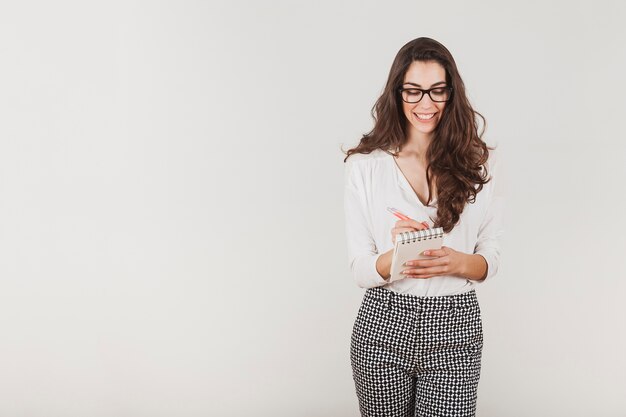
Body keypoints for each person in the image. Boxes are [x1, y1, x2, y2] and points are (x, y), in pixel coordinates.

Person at [342, 37, 503, 417]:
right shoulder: (366, 166)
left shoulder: (481, 163)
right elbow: (359, 269)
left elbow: (491, 256)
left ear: (452, 93)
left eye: (437, 91)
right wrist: (396, 257)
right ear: (397, 93)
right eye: (413, 91)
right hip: (382, 325)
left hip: (456, 324)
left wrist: (456, 262)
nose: (425, 104)